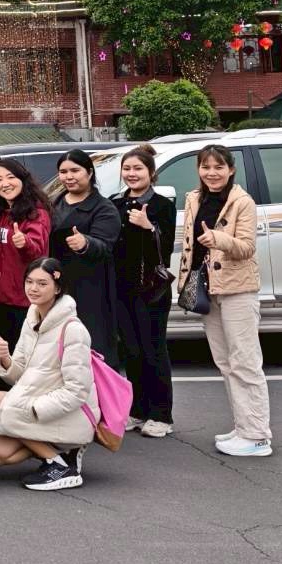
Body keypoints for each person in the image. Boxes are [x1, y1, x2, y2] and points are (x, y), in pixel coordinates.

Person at [177, 145, 269, 457]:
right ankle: (244, 426)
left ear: (231, 170)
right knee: (226, 363)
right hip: (209, 289)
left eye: (219, 167)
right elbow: (190, 246)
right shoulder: (194, 198)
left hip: (237, 289)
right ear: (198, 169)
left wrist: (218, 239)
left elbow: (246, 248)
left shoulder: (243, 202)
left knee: (245, 363)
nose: (212, 173)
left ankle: (257, 436)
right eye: (206, 167)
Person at [0, 257, 97, 491]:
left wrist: (36, 408)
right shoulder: (32, 318)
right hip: (36, 405)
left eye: (42, 283)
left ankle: (59, 464)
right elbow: (18, 374)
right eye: (29, 281)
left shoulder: (73, 329)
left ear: (57, 288)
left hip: (66, 413)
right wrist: (5, 358)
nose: (33, 288)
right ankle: (60, 454)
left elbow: (77, 391)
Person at [112, 145, 176, 438]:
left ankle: (161, 415)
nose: (132, 174)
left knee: (154, 350)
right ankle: (138, 410)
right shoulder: (115, 204)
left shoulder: (162, 205)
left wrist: (149, 227)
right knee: (131, 351)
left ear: (151, 173)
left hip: (152, 290)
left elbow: (166, 250)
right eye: (127, 169)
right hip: (122, 289)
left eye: (138, 168)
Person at [50, 149, 122, 362]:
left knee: (91, 350)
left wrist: (85, 243)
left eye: (75, 171)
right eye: (63, 172)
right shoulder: (53, 203)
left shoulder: (104, 208)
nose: (69, 177)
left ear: (89, 173)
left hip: (90, 289)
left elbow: (105, 245)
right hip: (56, 286)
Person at [0, 158, 53, 350]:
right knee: (0, 358)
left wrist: (24, 242)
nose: (5, 183)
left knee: (23, 357)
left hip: (25, 304)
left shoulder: (36, 212)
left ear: (23, 179)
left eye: (10, 177)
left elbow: (37, 250)